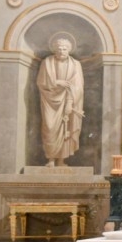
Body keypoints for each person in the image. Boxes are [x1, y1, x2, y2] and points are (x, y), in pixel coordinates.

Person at [37, 32, 85, 167]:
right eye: (59, 49)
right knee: (49, 127)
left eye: (64, 49)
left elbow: (78, 86)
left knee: (67, 128)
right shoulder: (47, 63)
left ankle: (61, 160)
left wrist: (69, 102)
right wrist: (57, 82)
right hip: (50, 100)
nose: (61, 51)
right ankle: (51, 159)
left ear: (69, 50)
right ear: (54, 50)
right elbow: (41, 82)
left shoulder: (76, 64)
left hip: (69, 100)